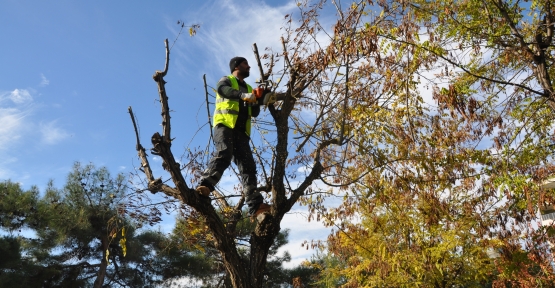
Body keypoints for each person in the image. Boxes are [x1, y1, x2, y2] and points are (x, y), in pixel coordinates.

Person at [196, 57, 271, 217]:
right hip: (225, 125)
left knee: (248, 167)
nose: (249, 66)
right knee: (224, 153)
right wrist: (244, 95)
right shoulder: (227, 80)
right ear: (236, 66)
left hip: (242, 132)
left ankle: (255, 205)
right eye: (245, 64)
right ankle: (205, 185)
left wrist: (259, 98)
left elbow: (255, 112)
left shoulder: (249, 88)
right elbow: (223, 90)